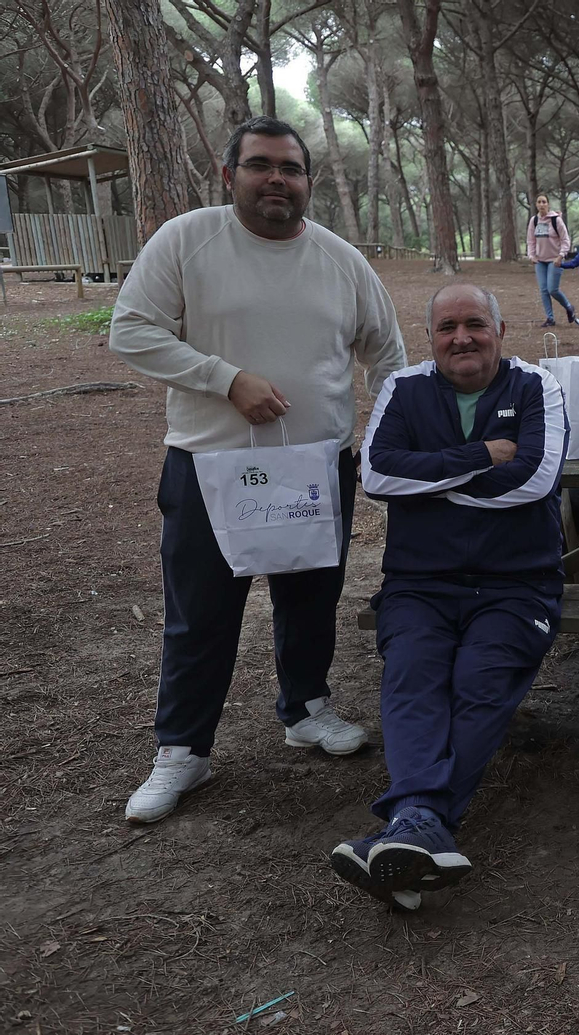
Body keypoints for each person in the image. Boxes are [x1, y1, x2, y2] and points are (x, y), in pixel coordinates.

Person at [109, 116, 406, 824]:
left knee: (309, 599)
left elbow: (387, 354)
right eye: (260, 165)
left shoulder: (340, 258)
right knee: (200, 615)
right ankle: (183, 749)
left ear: (308, 181)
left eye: (291, 168)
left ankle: (306, 708)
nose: (277, 179)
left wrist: (388, 438)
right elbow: (132, 329)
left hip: (315, 469)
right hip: (211, 468)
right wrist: (223, 378)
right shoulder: (187, 240)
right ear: (229, 174)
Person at [331, 283, 569, 911]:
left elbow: (535, 481)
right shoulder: (403, 388)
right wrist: (477, 458)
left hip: (516, 586)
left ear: (500, 329)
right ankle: (421, 828)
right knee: (412, 675)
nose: (461, 338)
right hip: (421, 583)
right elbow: (378, 475)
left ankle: (409, 822)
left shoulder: (537, 386)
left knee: (479, 683)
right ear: (430, 337)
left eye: (474, 324)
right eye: (446, 328)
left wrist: (429, 476)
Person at [526, 193, 576, 327]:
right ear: (536, 205)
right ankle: (550, 318)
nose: (541, 204)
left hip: (555, 260)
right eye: (539, 202)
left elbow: (565, 240)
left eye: (544, 202)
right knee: (543, 290)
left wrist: (561, 255)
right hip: (540, 261)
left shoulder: (556, 220)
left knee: (552, 289)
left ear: (548, 204)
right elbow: (531, 240)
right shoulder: (534, 221)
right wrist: (532, 256)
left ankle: (569, 307)